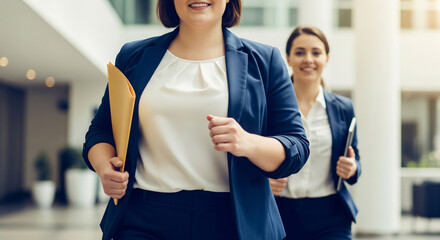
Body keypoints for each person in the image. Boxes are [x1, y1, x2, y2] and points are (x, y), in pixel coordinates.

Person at [82, 1, 310, 240]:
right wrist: (104, 167)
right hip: (143, 216)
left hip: (234, 221)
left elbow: (297, 146)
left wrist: (249, 143)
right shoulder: (133, 55)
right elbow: (100, 131)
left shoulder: (265, 61)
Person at [269, 26, 361, 240]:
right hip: (281, 213)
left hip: (331, 215)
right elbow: (253, 155)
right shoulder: (270, 105)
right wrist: (265, 181)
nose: (308, 59)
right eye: (300, 52)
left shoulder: (343, 108)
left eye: (316, 52)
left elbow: (355, 157)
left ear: (326, 58)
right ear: (288, 58)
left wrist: (352, 167)